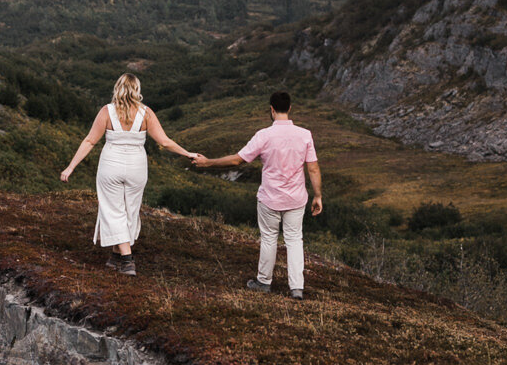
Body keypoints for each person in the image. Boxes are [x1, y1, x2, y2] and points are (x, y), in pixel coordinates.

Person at [59, 73, 194, 273]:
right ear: (137, 90)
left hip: (110, 166)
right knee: (130, 211)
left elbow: (90, 141)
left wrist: (71, 167)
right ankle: (116, 256)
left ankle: (127, 259)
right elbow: (165, 142)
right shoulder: (146, 113)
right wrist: (187, 153)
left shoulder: (106, 111)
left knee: (113, 210)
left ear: (118, 88)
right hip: (137, 168)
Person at [193, 92, 322, 298]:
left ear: (271, 110)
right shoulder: (305, 135)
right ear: (289, 108)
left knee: (269, 238)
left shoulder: (263, 135)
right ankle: (296, 288)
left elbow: (238, 160)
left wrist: (208, 162)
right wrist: (317, 196)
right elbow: (313, 168)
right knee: (295, 240)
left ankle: (264, 282)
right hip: (296, 198)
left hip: (270, 198)